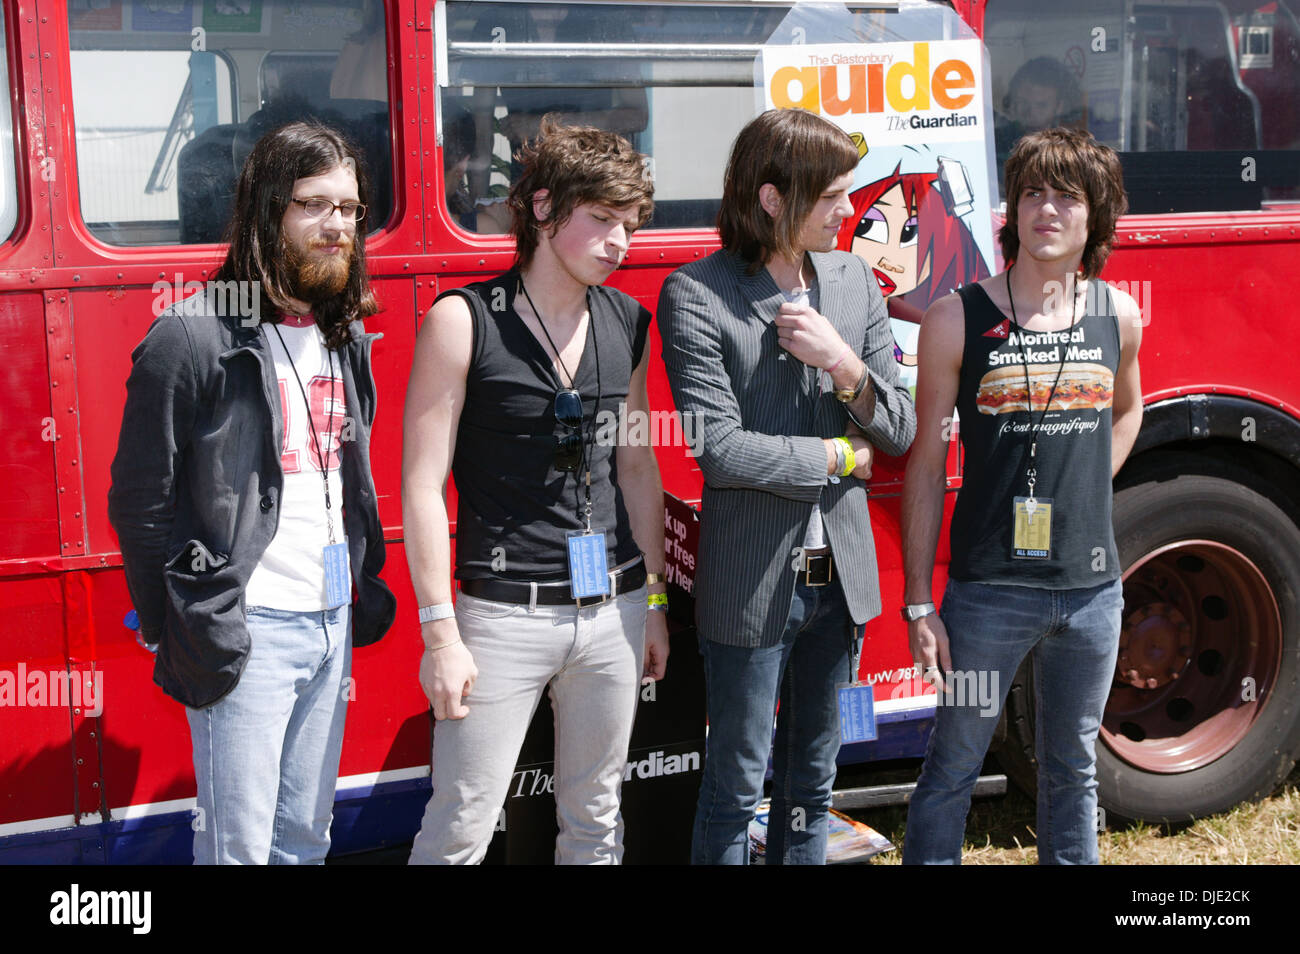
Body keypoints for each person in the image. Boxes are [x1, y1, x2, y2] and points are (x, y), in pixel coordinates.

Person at [108, 121, 397, 864]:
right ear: (269, 209)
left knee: (305, 838)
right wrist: (177, 620)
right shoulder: (192, 338)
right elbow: (140, 503)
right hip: (249, 632)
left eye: (351, 209)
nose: (338, 226)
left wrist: (356, 585)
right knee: (240, 851)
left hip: (332, 620)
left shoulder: (344, 335)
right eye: (315, 205)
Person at [404, 117, 667, 865]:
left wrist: (652, 603)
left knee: (596, 818)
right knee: (459, 824)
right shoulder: (461, 321)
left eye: (631, 224)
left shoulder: (629, 322)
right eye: (604, 220)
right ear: (545, 208)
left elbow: (638, 466)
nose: (621, 241)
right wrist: (440, 635)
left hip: (612, 607)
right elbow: (421, 486)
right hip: (501, 616)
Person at [658, 108, 916, 865]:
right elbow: (724, 453)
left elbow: (898, 429)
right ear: (773, 199)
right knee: (736, 791)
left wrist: (843, 362)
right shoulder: (696, 294)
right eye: (834, 195)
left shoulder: (853, 278)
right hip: (749, 582)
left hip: (843, 581)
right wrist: (841, 458)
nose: (850, 211)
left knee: (812, 783)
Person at [901, 127, 1142, 865]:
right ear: (1013, 207)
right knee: (953, 767)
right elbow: (926, 457)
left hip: (1093, 594)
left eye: (1067, 195)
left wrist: (1086, 480)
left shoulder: (1118, 316)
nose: (1047, 208)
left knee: (1073, 768)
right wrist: (918, 600)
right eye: (1034, 191)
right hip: (987, 596)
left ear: (1095, 216)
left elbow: (1130, 409)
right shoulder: (956, 317)